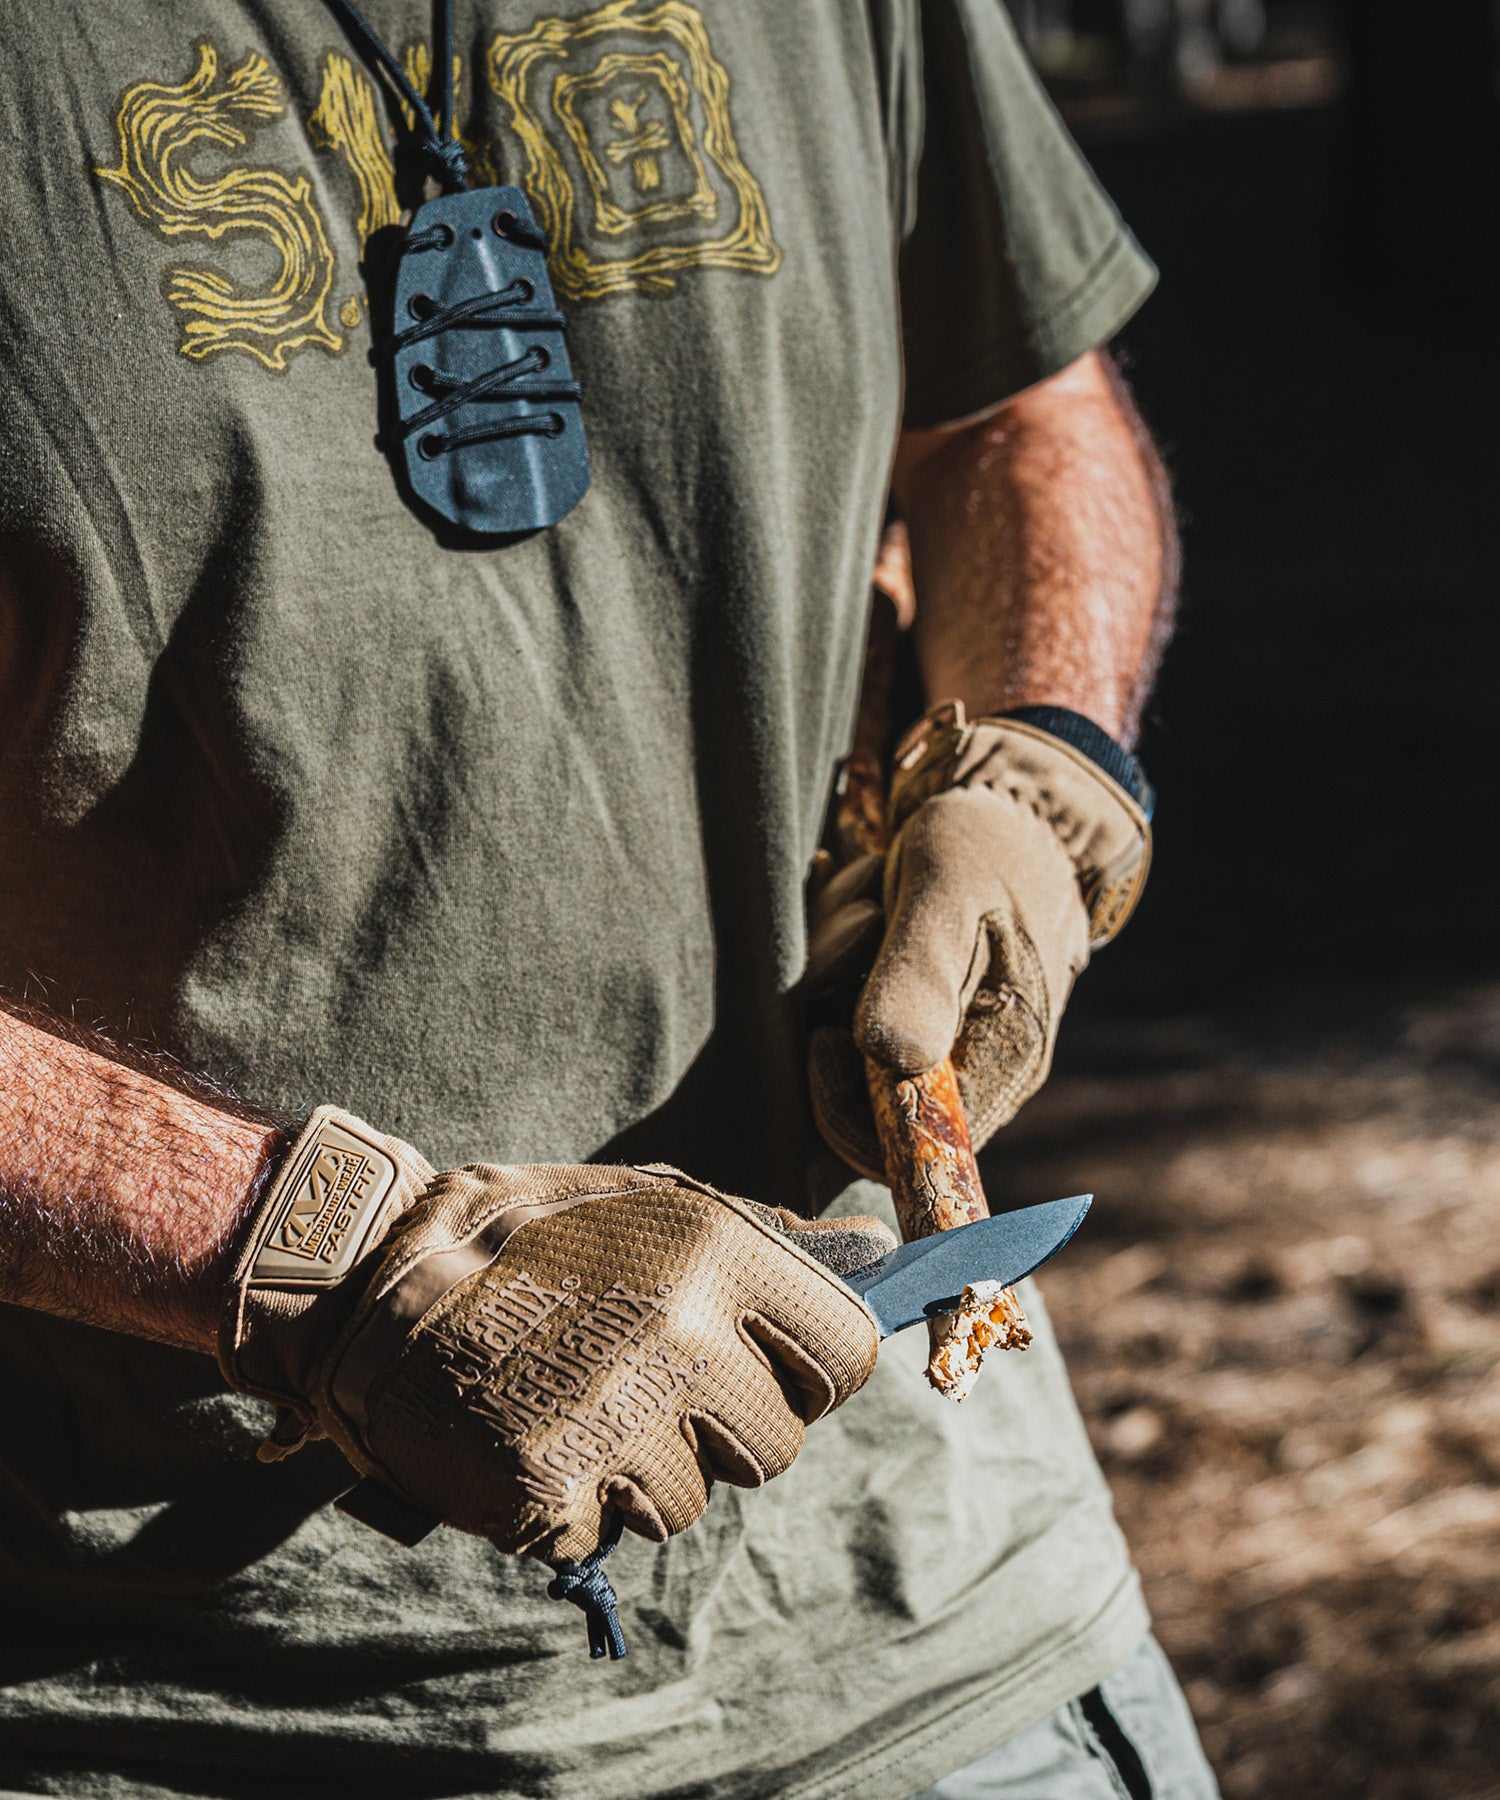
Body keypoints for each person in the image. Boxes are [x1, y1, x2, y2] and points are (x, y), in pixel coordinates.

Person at [0, 1, 1217, 1794]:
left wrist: (1039, 769)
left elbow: (1019, 412)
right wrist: (327, 1253)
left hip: (942, 1623)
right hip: (194, 1699)